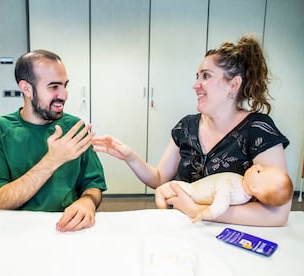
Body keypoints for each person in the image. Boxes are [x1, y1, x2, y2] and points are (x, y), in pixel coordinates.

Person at [92, 35, 291, 226]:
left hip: (228, 235)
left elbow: (277, 215)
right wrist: (129, 156)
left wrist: (197, 211)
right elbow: (160, 179)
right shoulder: (187, 126)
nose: (195, 85)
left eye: (206, 76)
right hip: (184, 230)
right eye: (197, 76)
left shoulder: (258, 129)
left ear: (234, 84)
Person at [0, 50, 107, 232]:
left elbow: (93, 184)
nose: (64, 95)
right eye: (54, 87)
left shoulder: (75, 128)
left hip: (67, 228)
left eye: (65, 85)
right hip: (17, 230)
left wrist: (87, 202)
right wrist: (52, 160)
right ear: (27, 89)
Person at [155, 165, 293, 223]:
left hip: (191, 192)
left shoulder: (233, 188)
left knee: (160, 191)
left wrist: (202, 213)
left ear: (254, 188)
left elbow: (220, 205)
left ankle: (163, 216)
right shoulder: (241, 187)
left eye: (259, 171)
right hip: (192, 191)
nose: (257, 166)